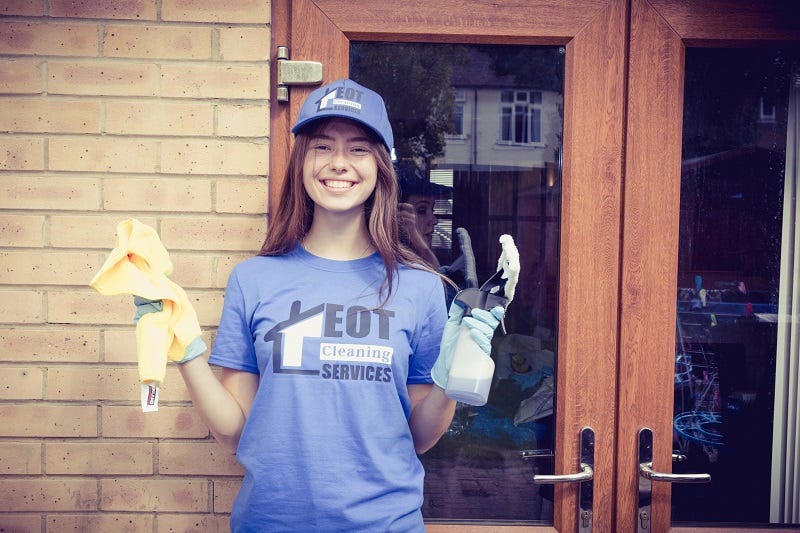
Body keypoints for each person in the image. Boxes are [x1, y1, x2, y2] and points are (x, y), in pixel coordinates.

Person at [135, 78, 504, 532]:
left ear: (380, 166)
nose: (338, 163)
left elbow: (421, 438)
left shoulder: (420, 287)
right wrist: (185, 348)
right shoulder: (254, 279)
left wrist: (449, 379)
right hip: (272, 523)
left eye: (358, 149)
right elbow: (233, 433)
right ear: (302, 162)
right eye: (322, 147)